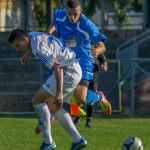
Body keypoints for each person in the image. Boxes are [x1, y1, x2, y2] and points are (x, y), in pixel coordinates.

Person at [8, 29, 87, 150]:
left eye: (18, 46)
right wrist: (27, 53)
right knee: (54, 107)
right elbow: (44, 41)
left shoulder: (37, 48)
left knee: (37, 100)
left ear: (25, 40)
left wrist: (59, 93)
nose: (17, 49)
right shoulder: (33, 35)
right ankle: (77, 140)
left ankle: (48, 142)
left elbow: (58, 67)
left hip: (67, 71)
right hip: (74, 68)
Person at [48, 0, 112, 116]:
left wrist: (98, 50)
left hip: (83, 61)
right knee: (56, 87)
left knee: (81, 98)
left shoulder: (87, 25)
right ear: (66, 11)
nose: (72, 17)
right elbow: (55, 21)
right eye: (70, 14)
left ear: (80, 11)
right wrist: (49, 33)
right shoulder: (60, 15)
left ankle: (99, 96)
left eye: (76, 14)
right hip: (66, 59)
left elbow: (102, 44)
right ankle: (55, 114)